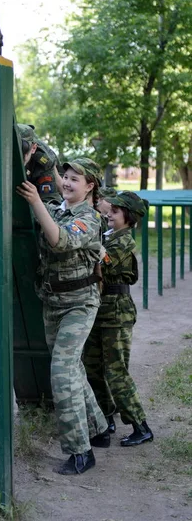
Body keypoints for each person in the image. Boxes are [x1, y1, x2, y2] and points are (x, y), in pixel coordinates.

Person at [17, 158, 108, 475]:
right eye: (65, 177)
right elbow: (51, 191)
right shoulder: (58, 209)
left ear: (90, 186)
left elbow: (59, 240)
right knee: (73, 368)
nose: (67, 183)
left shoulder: (90, 219)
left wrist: (34, 201)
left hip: (80, 303)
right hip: (53, 301)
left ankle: (81, 452)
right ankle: (99, 429)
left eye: (74, 179)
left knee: (61, 370)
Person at [83, 191, 154, 447]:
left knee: (116, 372)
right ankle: (106, 417)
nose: (109, 213)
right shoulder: (108, 235)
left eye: (116, 211)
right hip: (99, 308)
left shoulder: (124, 241)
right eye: (110, 209)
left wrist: (89, 239)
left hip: (117, 312)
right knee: (91, 366)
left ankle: (140, 425)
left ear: (128, 217)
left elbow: (104, 261)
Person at [17, 124, 62, 204]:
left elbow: (49, 201)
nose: (19, 155)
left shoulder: (43, 162)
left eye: (23, 149)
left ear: (33, 148)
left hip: (50, 175)